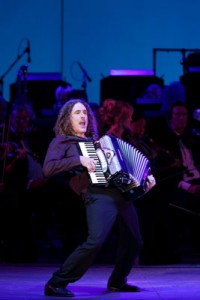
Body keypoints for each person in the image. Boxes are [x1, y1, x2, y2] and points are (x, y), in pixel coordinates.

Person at [43, 98, 155, 297]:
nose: (83, 116)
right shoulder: (62, 141)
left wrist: (143, 178)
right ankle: (56, 281)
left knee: (135, 240)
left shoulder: (97, 142)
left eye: (85, 113)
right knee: (95, 240)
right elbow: (48, 168)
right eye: (77, 113)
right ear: (67, 118)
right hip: (97, 193)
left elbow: (120, 167)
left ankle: (117, 282)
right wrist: (79, 159)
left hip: (119, 193)